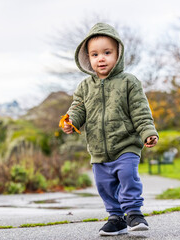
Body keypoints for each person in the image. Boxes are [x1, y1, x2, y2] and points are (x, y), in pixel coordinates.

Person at [61, 22, 159, 236]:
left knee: (127, 176)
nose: (101, 58)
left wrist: (148, 132)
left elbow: (140, 110)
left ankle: (133, 212)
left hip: (126, 145)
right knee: (103, 184)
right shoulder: (85, 86)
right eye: (95, 54)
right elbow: (78, 108)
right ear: (88, 58)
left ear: (118, 54)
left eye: (107, 52)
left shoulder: (129, 82)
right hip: (97, 149)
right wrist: (72, 121)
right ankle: (115, 217)